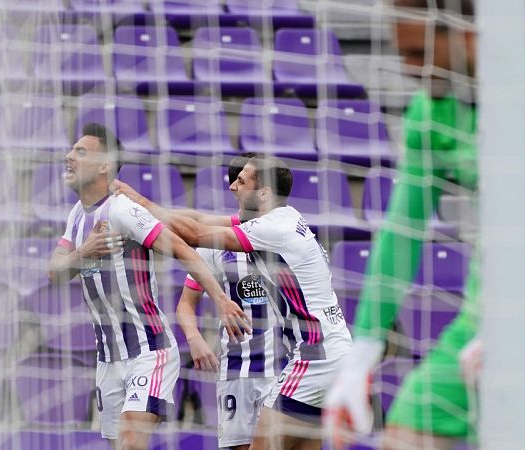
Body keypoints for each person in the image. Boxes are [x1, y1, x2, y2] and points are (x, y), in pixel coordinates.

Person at [323, 1, 525, 450]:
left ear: (465, 33)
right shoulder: (429, 111)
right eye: (403, 54)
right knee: (406, 435)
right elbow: (402, 230)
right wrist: (363, 351)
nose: (410, 68)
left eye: (419, 53)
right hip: (484, 314)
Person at [113, 155, 353, 450]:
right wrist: (140, 207)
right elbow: (199, 220)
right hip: (334, 353)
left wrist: (136, 202)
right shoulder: (284, 218)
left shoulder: (273, 229)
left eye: (241, 181)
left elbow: (194, 233)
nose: (232, 187)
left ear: (263, 193)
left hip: (315, 359)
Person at [47, 123, 251, 450]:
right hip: (108, 358)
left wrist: (221, 301)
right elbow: (54, 273)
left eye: (80, 152)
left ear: (104, 166)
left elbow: (184, 250)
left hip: (149, 351)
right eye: (72, 149)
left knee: (131, 443)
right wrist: (84, 252)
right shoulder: (76, 216)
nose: (69, 156)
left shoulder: (123, 210)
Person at [176, 152, 290, 450]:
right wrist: (195, 339)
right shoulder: (215, 243)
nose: (233, 188)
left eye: (241, 181)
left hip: (285, 369)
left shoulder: (289, 237)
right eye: (235, 182)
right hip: (237, 369)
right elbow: (186, 303)